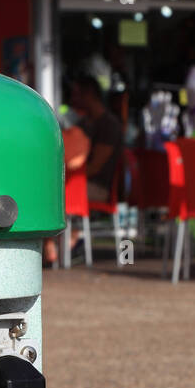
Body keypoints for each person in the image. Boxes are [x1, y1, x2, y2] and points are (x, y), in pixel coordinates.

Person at [44, 109, 90, 266]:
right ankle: (60, 246)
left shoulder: (53, 138)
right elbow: (77, 162)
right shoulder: (82, 139)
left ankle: (50, 244)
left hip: (58, 191)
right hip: (70, 192)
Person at [69, 75, 124, 204]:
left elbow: (94, 167)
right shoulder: (83, 124)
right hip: (80, 182)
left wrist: (64, 178)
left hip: (98, 187)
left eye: (76, 94)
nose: (72, 99)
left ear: (89, 94)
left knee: (51, 191)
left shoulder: (109, 125)